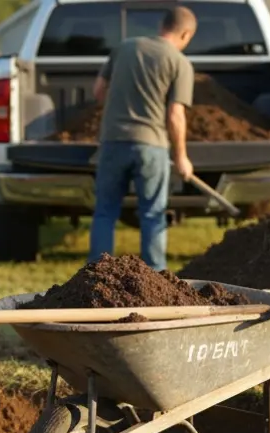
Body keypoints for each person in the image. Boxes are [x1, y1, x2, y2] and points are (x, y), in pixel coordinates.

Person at [88, 6, 197, 272]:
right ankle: (155, 277)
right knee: (152, 214)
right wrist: (181, 157)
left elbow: (99, 91)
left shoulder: (125, 47)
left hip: (113, 142)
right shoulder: (179, 62)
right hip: (151, 146)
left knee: (105, 212)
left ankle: (96, 273)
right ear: (185, 34)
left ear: (162, 26)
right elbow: (175, 115)